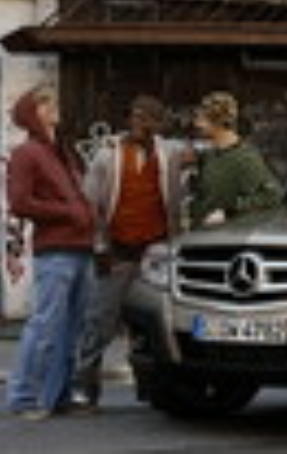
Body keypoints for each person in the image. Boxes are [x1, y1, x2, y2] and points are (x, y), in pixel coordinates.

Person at [70, 95, 189, 409]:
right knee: (100, 321)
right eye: (135, 116)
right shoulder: (108, 155)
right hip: (118, 251)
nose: (139, 123)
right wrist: (99, 246)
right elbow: (90, 205)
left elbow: (202, 157)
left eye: (147, 117)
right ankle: (84, 387)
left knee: (150, 323)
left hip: (156, 253)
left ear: (158, 123)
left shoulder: (170, 153)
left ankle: (151, 387)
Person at [5, 85, 94, 420]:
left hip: (82, 248)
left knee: (73, 330)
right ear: (31, 114)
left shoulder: (63, 152)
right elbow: (19, 203)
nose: (53, 107)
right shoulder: (26, 153)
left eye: (52, 102)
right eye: (45, 104)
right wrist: (67, 212)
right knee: (45, 328)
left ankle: (58, 396)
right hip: (55, 252)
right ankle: (24, 398)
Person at [189, 91, 282, 228]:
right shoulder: (210, 155)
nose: (196, 124)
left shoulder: (245, 158)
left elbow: (271, 197)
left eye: (202, 119)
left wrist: (229, 212)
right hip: (201, 233)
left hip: (227, 234)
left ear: (217, 122)